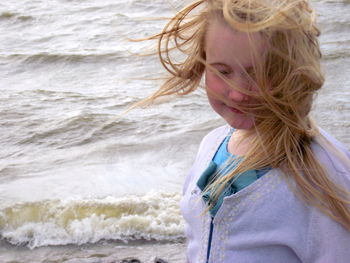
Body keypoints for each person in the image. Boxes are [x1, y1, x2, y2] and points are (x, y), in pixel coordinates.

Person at [136, 0, 350, 262]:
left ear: (294, 70)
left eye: (259, 73)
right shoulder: (211, 145)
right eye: (222, 71)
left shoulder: (326, 176)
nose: (237, 93)